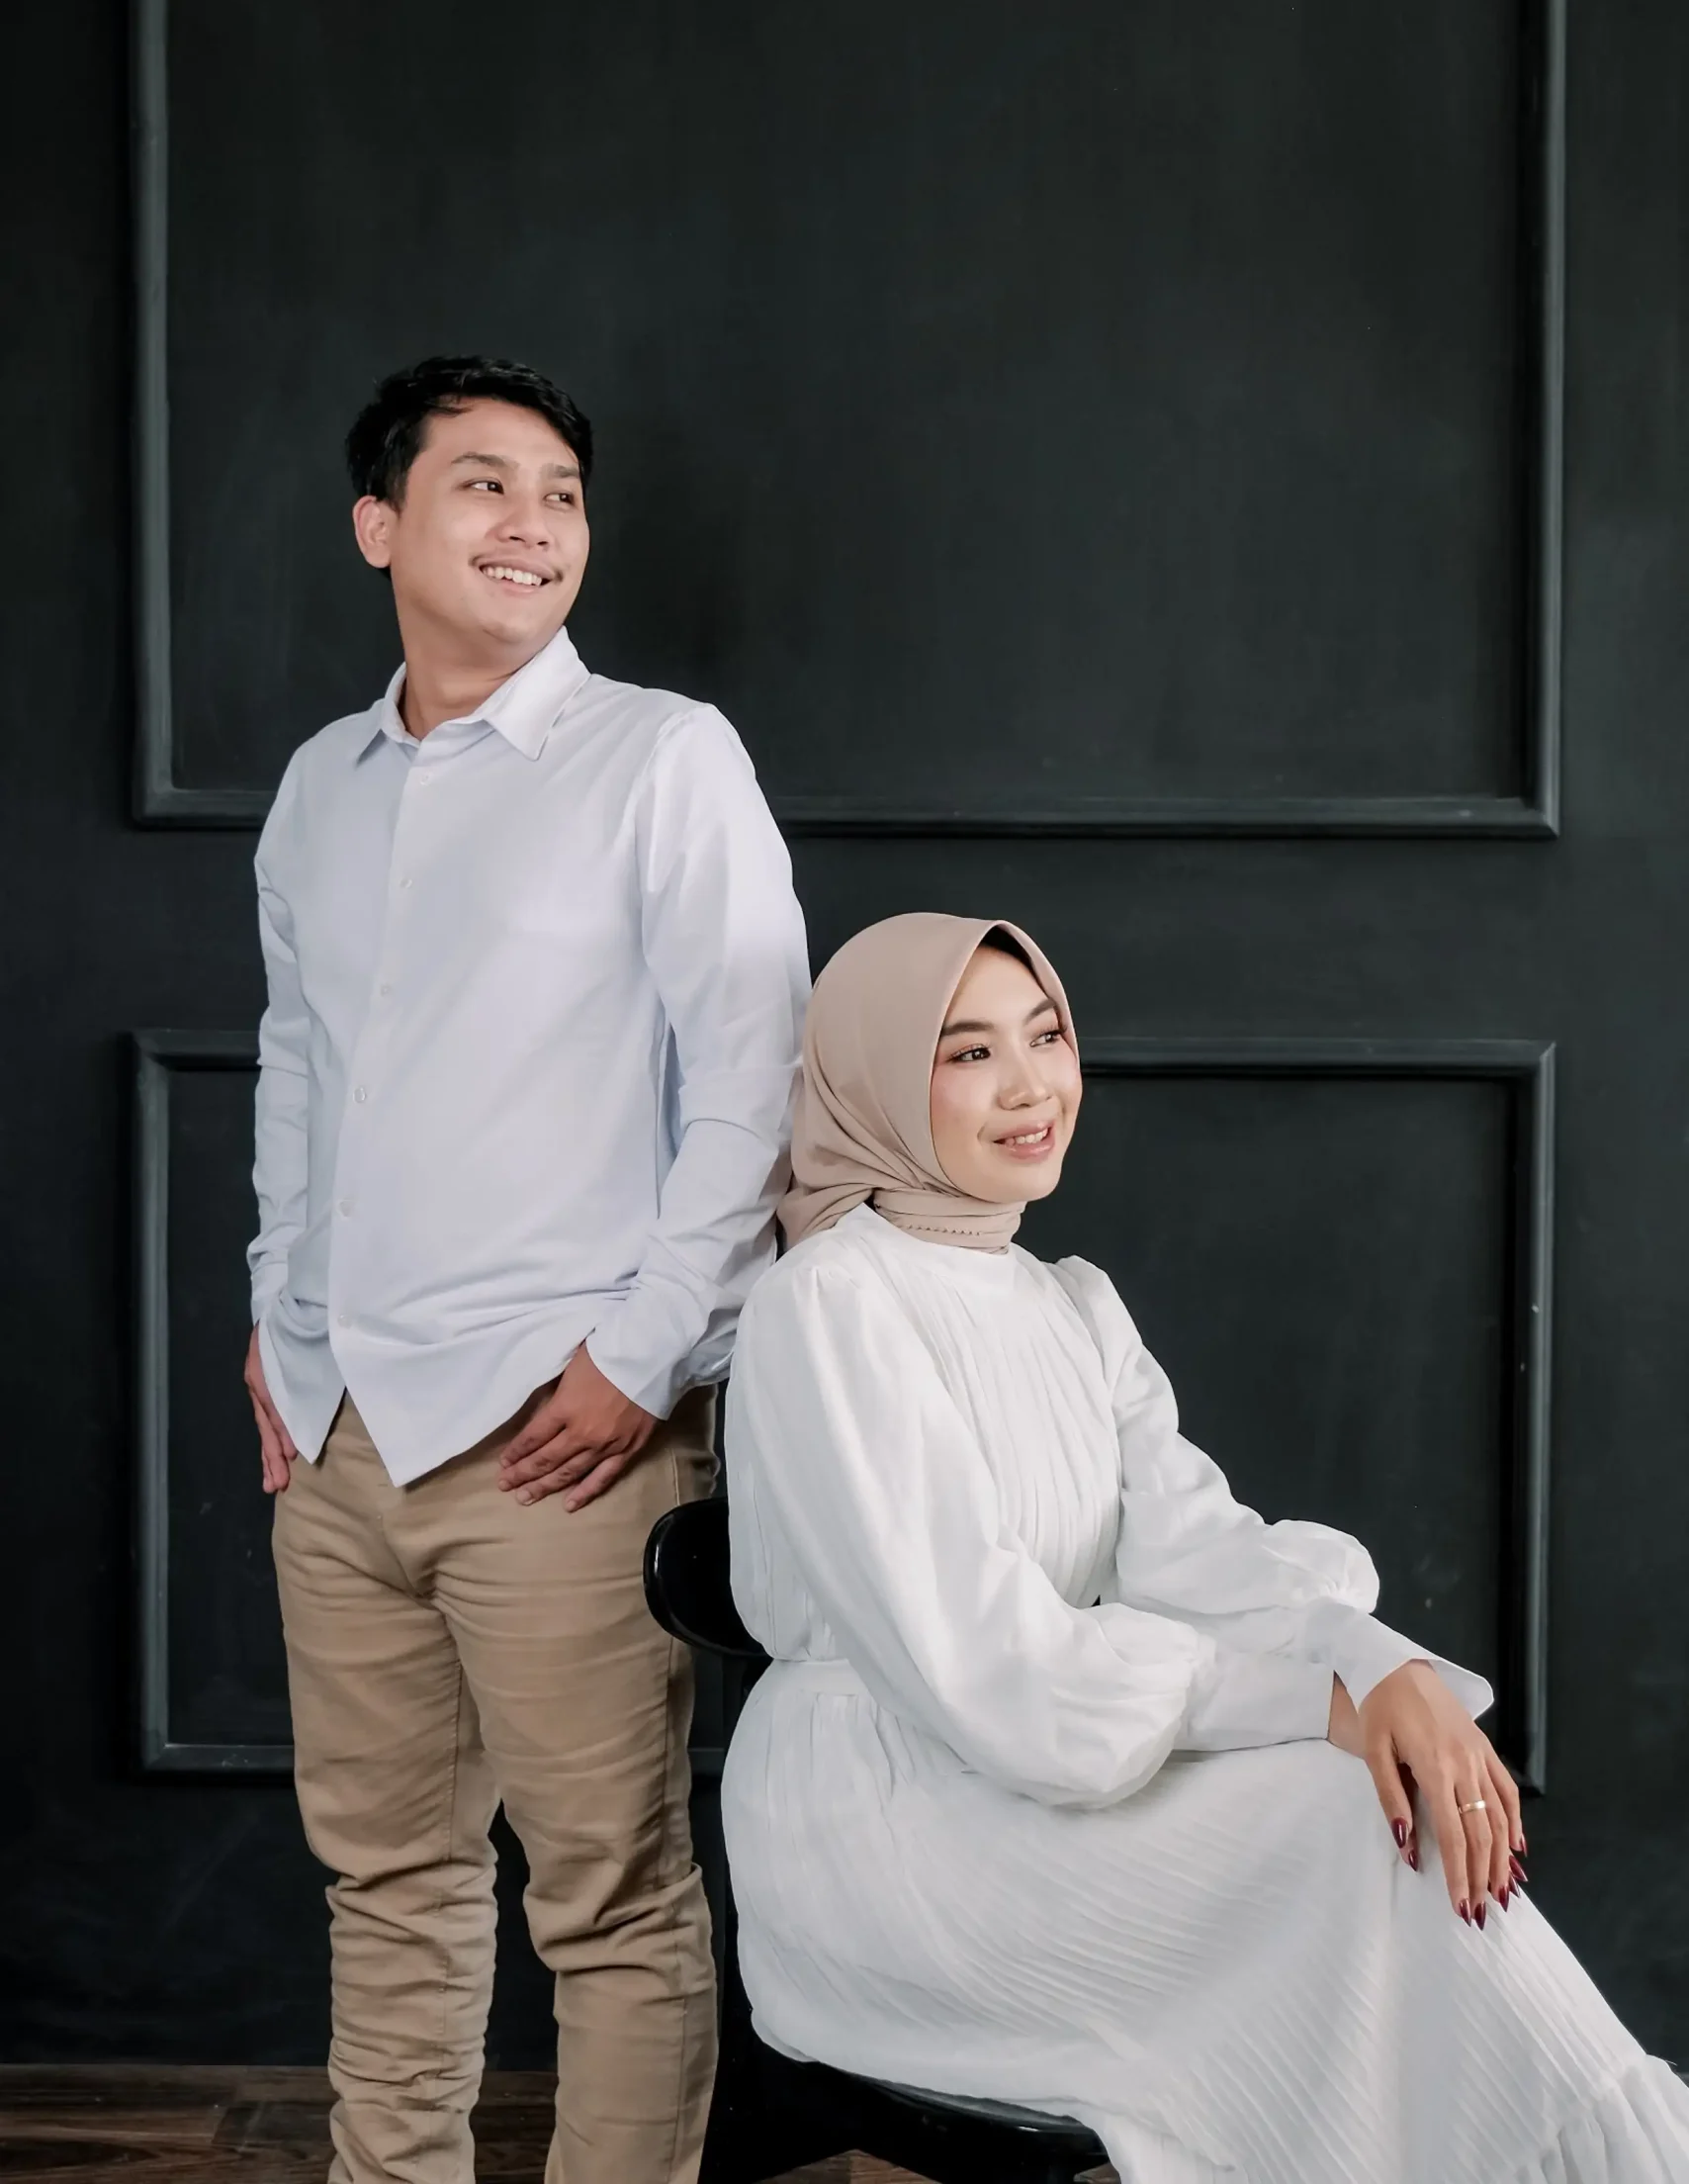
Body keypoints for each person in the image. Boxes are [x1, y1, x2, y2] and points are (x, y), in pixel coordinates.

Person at [721, 913, 1689, 2184]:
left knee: (1371, 1812)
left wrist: (1380, 1668)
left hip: (1041, 1771)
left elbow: (1204, 1553)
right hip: (888, 1827)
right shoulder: (827, 1302)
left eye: (1046, 1035)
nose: (1030, 1086)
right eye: (968, 1052)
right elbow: (989, 1662)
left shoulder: (1070, 1302)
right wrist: (1325, 1704)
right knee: (1346, 1817)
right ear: (879, 1082)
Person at [243, 354, 809, 2184]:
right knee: (387, 1881)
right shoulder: (318, 789)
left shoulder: (663, 757)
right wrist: (275, 1312)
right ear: (379, 527)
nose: (533, 522)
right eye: (483, 483)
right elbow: (298, 1066)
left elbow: (754, 1085)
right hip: (339, 1432)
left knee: (613, 1907)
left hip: (562, 1434)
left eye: (560, 493)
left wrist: (642, 1361)